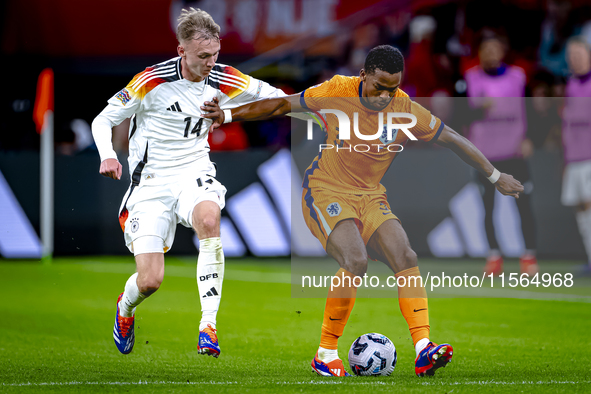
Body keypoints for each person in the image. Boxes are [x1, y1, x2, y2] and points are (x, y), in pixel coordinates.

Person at [202, 45, 524, 377]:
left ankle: (423, 348)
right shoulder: (336, 90)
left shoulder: (405, 109)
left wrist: (495, 176)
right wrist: (228, 114)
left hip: (370, 196)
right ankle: (325, 353)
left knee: (406, 256)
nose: (386, 95)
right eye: (379, 86)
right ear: (363, 75)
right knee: (356, 261)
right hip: (325, 188)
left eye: (393, 87)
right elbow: (284, 103)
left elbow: (453, 138)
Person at [91, 8, 292, 357]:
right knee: (150, 280)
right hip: (150, 183)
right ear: (182, 51)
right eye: (202, 56)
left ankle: (208, 327)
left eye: (215, 54)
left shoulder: (226, 78)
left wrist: (318, 106)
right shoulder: (151, 80)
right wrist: (107, 153)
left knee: (210, 220)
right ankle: (126, 308)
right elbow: (103, 119)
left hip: (194, 170)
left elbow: (276, 99)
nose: (210, 62)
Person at [464, 36, 538, 276]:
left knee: (524, 205)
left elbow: (530, 108)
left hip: (514, 151)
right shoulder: (470, 79)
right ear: (480, 54)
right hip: (486, 156)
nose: (491, 54)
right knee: (488, 207)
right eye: (486, 49)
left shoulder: (518, 77)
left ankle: (529, 256)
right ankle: (494, 257)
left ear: (502, 52)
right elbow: (460, 114)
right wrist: (477, 109)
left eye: (495, 49)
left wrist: (531, 138)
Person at [562, 36, 591, 272]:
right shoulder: (570, 85)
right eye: (571, 55)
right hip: (574, 158)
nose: (575, 59)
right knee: (581, 210)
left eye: (579, 54)